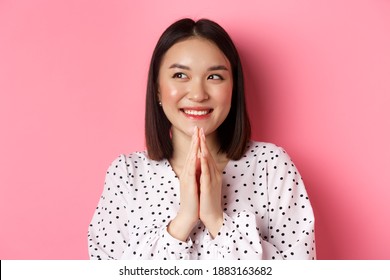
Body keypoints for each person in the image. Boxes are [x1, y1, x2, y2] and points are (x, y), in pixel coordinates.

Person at [87, 18, 316, 260]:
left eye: (215, 77)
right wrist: (183, 222)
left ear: (233, 88)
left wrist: (217, 221)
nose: (198, 94)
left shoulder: (271, 166)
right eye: (180, 75)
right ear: (157, 89)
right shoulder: (127, 173)